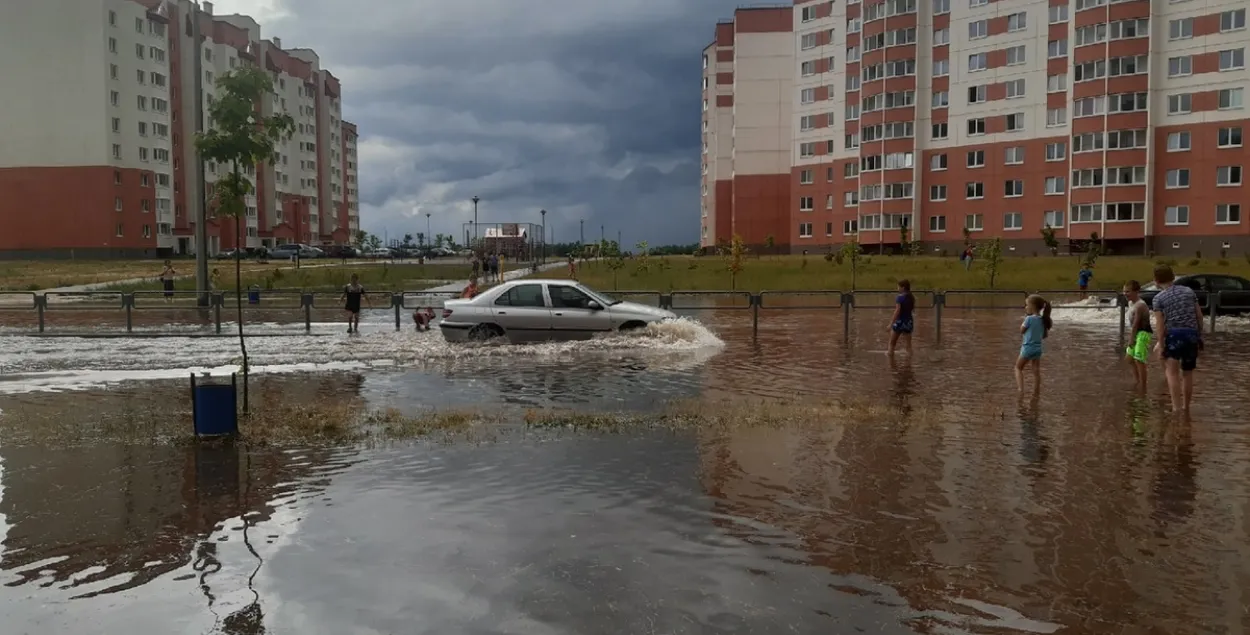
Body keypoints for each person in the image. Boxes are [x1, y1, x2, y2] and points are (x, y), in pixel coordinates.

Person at [1150, 265, 1204, 412]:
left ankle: (1176, 408)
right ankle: (1186, 408)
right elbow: (1199, 316)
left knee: (1172, 373)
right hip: (1191, 334)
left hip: (1174, 336)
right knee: (1187, 373)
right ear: (1173, 277)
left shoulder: (1158, 299)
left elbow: (1160, 326)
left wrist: (1161, 345)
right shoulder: (1189, 291)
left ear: (1156, 280)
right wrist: (1199, 336)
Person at [1015, 294, 1053, 393]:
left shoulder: (1029, 319)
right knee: (1036, 371)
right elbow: (1044, 336)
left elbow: (1021, 331)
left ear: (1033, 306)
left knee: (1018, 368)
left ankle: (1020, 390)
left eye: (1027, 305)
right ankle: (1036, 391)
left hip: (1027, 348)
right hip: (1038, 349)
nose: (1025, 307)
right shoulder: (1043, 320)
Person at [1123, 280, 1152, 389]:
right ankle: (1137, 381)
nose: (1125, 294)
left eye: (1128, 292)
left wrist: (1131, 339)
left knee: (1139, 360)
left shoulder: (1140, 305)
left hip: (1143, 333)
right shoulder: (1131, 303)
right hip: (1136, 333)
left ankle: (1143, 386)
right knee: (1129, 358)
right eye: (1124, 291)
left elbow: (1136, 324)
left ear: (1136, 292)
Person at [887, 279, 915, 355]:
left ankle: (890, 361)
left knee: (892, 343)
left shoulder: (900, 297)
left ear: (903, 287)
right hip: (909, 322)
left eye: (898, 287)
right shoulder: (911, 297)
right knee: (909, 345)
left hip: (900, 322)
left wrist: (891, 323)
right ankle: (909, 363)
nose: (898, 289)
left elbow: (897, 311)